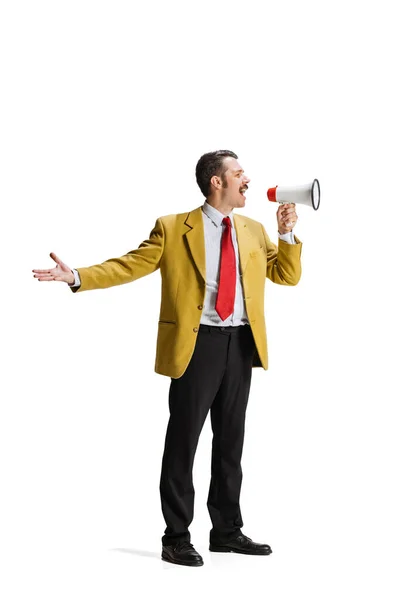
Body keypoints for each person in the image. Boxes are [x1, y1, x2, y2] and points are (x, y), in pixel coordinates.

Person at [32, 149, 301, 567]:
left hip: (241, 345)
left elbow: (287, 275)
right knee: (184, 442)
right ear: (217, 181)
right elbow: (130, 265)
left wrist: (285, 234)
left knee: (231, 443)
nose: (247, 179)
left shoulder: (252, 229)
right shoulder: (175, 227)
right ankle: (176, 537)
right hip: (197, 346)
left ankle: (226, 531)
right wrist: (79, 276)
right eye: (239, 173)